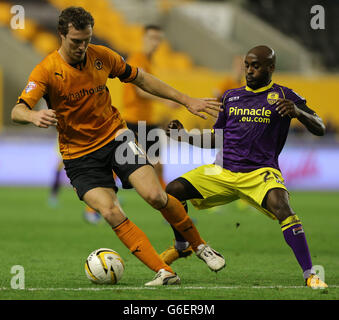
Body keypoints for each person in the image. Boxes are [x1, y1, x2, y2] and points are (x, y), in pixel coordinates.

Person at [11, 6, 225, 286]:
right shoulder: (47, 70)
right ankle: (165, 272)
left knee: (156, 196)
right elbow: (18, 110)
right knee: (111, 211)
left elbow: (142, 78)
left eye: (86, 39)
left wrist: (186, 100)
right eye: (76, 41)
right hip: (78, 156)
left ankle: (199, 246)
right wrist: (33, 114)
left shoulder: (102, 56)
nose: (82, 46)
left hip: (116, 138)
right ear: (61, 35)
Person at [160, 45, 328, 289]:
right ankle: (183, 246)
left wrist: (298, 112)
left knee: (283, 208)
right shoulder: (231, 96)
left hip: (260, 173)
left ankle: (310, 275)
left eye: (256, 66)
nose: (249, 71)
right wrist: (184, 136)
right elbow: (218, 138)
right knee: (173, 190)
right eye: (247, 66)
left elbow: (320, 127)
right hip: (224, 170)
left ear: (271, 68)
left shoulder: (284, 95)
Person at [121, 24, 178, 189]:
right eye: (152, 38)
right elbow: (140, 91)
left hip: (147, 121)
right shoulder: (137, 59)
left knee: (158, 166)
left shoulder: (148, 61)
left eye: (159, 39)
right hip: (134, 119)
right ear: (143, 38)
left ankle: (172, 209)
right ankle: (92, 209)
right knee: (121, 165)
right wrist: (166, 100)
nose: (156, 42)